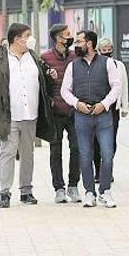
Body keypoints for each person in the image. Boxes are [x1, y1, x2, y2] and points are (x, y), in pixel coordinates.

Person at [0, 23, 54, 208]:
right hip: (8, 114)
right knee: (8, 153)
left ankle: (26, 191)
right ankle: (4, 193)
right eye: (28, 35)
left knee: (28, 153)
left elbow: (40, 78)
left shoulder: (33, 56)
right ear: (17, 39)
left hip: (30, 114)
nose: (31, 38)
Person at [60, 30, 122, 208]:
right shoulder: (73, 65)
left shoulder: (108, 63)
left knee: (107, 154)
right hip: (81, 116)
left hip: (103, 116)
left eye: (79, 41)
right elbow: (65, 90)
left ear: (90, 43)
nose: (76, 45)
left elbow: (116, 87)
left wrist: (104, 104)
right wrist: (76, 103)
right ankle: (89, 192)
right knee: (85, 156)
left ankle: (105, 191)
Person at [40, 24, 82, 203]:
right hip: (55, 111)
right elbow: (40, 84)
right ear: (58, 38)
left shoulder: (75, 57)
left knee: (77, 148)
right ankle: (59, 188)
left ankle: (73, 186)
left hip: (74, 111)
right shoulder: (45, 58)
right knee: (55, 150)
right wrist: (49, 79)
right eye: (67, 35)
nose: (70, 37)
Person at [94, 38, 129, 183]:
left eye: (110, 49)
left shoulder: (119, 65)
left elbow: (124, 86)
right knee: (96, 141)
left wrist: (125, 106)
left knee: (111, 141)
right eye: (104, 50)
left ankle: (107, 169)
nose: (108, 51)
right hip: (98, 107)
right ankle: (98, 170)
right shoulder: (95, 65)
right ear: (99, 51)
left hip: (113, 109)